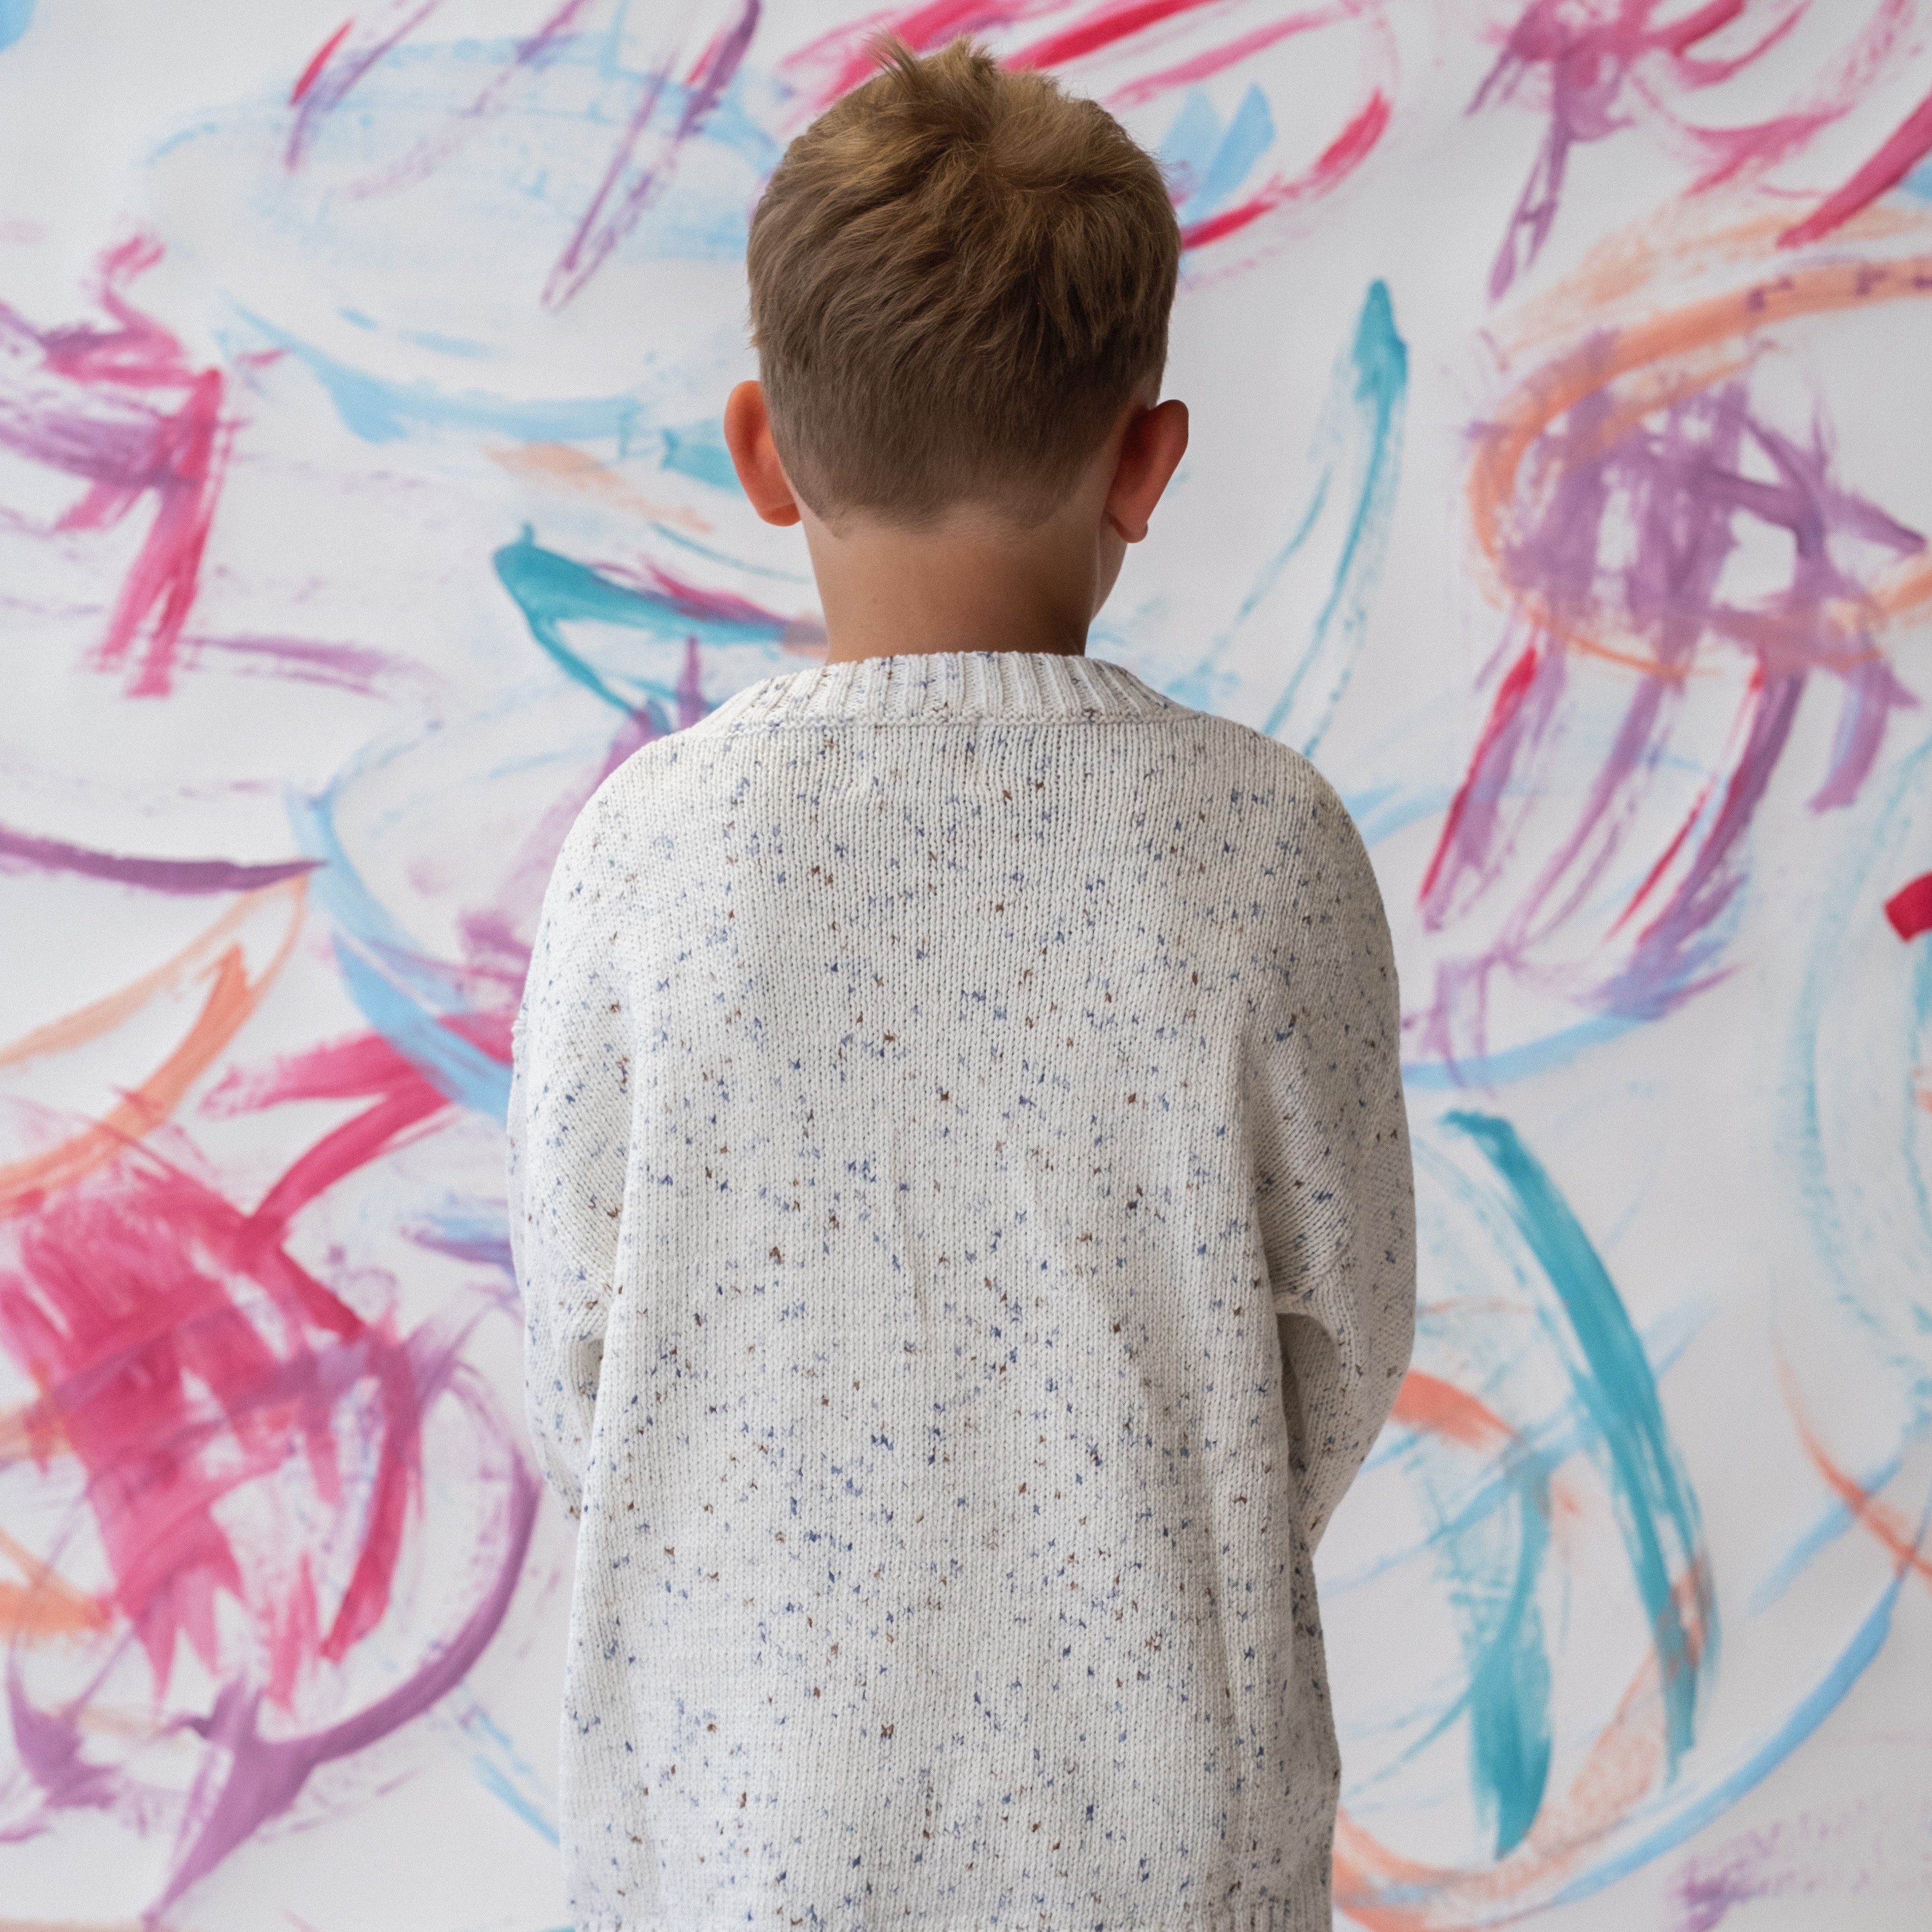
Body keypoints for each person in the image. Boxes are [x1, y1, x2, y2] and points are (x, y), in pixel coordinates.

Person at [506, 32, 1415, 1930]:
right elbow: (1337, 1346)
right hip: (1163, 1837)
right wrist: (1154, 1549)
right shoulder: (1265, 847)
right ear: (1146, 459)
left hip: (741, 1837)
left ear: (763, 448)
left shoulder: (642, 858)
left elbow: (591, 1344)